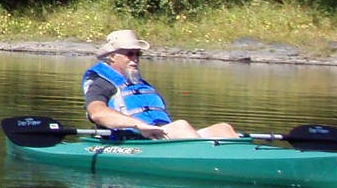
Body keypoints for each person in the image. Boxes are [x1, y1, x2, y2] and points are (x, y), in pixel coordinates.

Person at [82, 29, 239, 140]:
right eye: (129, 54)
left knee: (223, 128)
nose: (135, 58)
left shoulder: (140, 84)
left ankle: (244, 158)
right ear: (113, 57)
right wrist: (138, 125)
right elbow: (97, 113)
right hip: (134, 138)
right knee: (181, 126)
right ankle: (211, 160)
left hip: (161, 136)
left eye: (138, 54)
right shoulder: (100, 84)